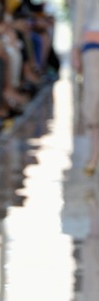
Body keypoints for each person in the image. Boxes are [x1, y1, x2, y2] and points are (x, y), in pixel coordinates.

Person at [72, 0, 99, 175]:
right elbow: (79, 13)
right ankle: (94, 155)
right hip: (93, 39)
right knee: (94, 98)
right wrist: (76, 47)